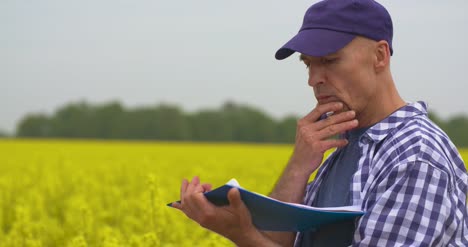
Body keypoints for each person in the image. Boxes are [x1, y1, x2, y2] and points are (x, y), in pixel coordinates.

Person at [172, 0, 468, 246]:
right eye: (308, 63)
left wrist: (243, 234)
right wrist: (300, 164)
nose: (314, 79)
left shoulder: (414, 156)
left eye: (329, 61)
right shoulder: (342, 147)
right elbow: (280, 241)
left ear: (379, 56)